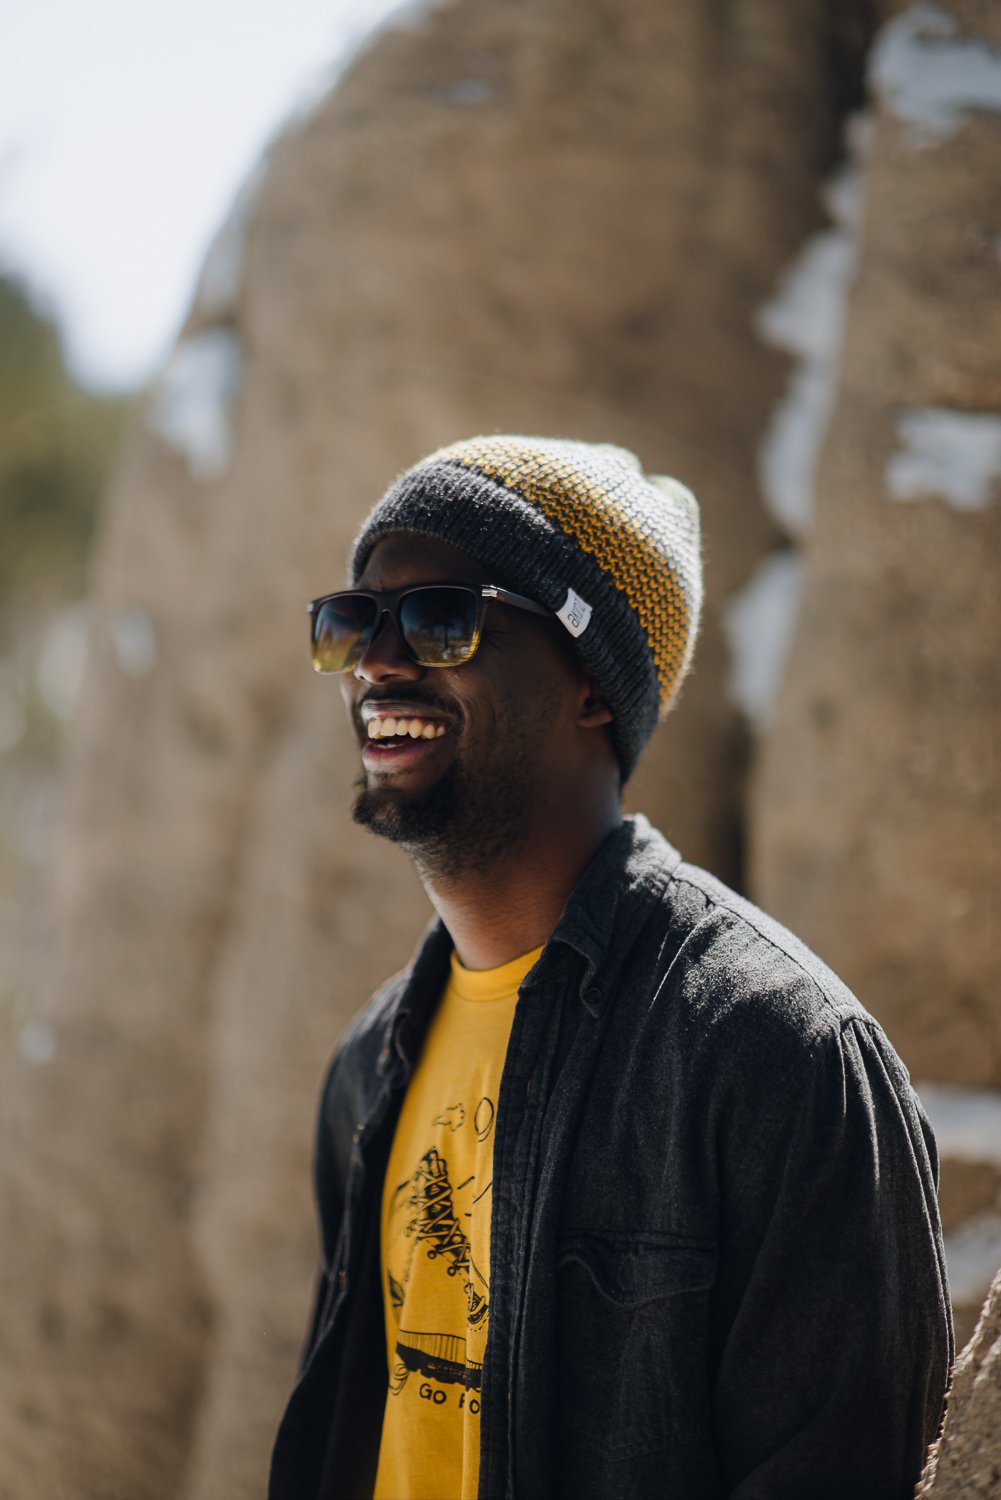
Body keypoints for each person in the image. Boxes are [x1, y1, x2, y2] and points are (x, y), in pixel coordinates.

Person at [269, 435, 952, 1500]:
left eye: (441, 618)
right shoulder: (370, 1065)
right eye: (351, 623)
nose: (377, 661)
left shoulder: (781, 1057)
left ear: (591, 682)